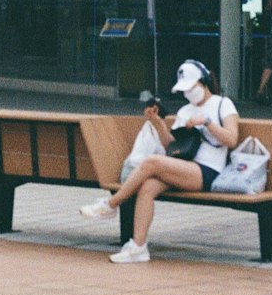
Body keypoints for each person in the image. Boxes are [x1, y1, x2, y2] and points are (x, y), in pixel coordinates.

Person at [78, 59, 240, 263]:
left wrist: (207, 122)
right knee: (147, 187)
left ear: (204, 81)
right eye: (184, 90)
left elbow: (232, 139)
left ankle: (111, 204)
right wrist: (158, 123)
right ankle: (138, 247)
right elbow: (172, 147)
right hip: (186, 167)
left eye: (191, 87)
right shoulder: (185, 111)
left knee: (152, 162)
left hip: (208, 170)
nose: (188, 93)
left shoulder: (223, 104)